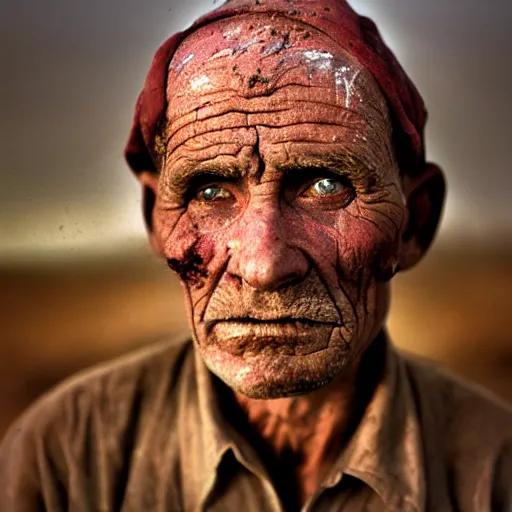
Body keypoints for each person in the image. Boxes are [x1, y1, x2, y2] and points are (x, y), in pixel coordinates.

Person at [1, 0, 511, 510]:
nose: (262, 267)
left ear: (414, 224)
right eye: (209, 192)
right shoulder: (63, 458)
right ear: (157, 217)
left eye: (325, 185)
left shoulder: (495, 471)